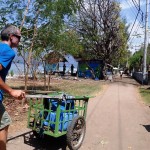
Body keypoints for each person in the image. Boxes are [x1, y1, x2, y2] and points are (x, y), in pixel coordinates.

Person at [0, 24, 25, 150]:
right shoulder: (8, 52)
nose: (19, 40)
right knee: (4, 123)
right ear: (11, 37)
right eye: (18, 37)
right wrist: (11, 91)